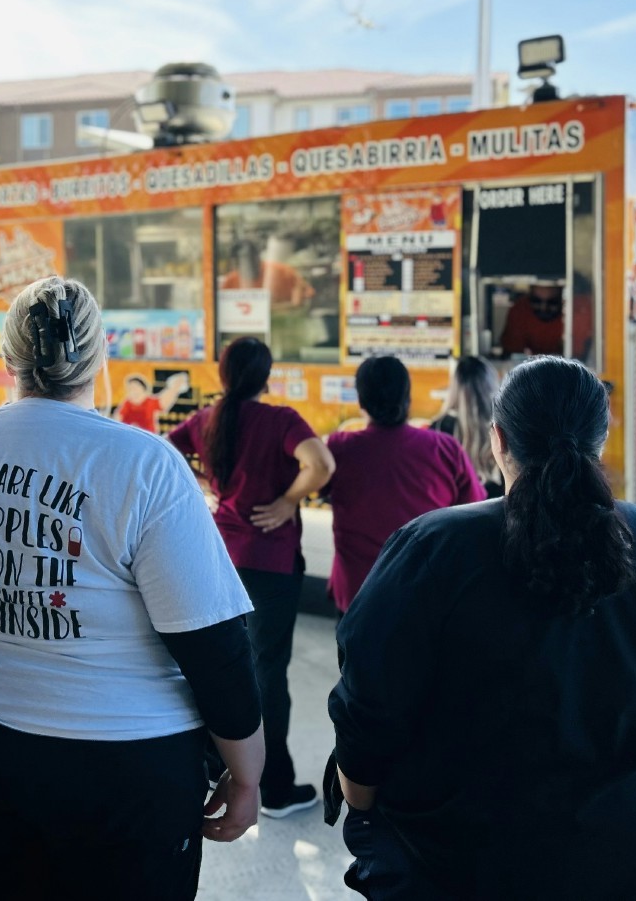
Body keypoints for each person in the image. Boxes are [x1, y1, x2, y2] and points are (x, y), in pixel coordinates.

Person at [0, 276, 265, 901]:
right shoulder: (144, 465)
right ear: (100, 357)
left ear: (9, 359)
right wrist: (247, 776)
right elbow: (213, 643)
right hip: (115, 769)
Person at [328, 357, 636, 900]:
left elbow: (368, 712)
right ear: (602, 437)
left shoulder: (431, 548)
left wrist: (362, 811)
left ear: (498, 439)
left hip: (465, 863)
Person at [169, 336, 335, 817]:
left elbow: (164, 451)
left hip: (217, 557)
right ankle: (274, 787)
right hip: (271, 564)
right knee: (268, 671)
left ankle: (210, 768)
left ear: (223, 376)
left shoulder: (207, 419)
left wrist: (202, 486)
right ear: (266, 375)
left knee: (219, 663)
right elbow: (322, 464)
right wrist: (288, 500)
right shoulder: (280, 420)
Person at [325, 356, 484, 616]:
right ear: (407, 397)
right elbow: (473, 512)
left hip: (358, 593)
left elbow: (311, 482)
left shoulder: (339, 448)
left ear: (361, 400)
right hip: (426, 592)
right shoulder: (444, 448)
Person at [430, 355, 503, 498]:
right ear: (492, 386)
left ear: (454, 388)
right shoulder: (504, 428)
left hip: (451, 514)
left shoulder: (439, 429)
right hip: (497, 513)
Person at [499, 281, 593, 359]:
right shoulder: (520, 310)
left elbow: (578, 358)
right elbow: (512, 355)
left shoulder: (577, 311)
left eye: (552, 302)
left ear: (563, 299)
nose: (544, 308)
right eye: (537, 301)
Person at [116, 370, 190, 432]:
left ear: (143, 388)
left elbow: (163, 401)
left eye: (135, 387)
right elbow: (118, 418)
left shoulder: (150, 402)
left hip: (148, 438)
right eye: (130, 388)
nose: (133, 390)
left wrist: (175, 386)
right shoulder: (127, 404)